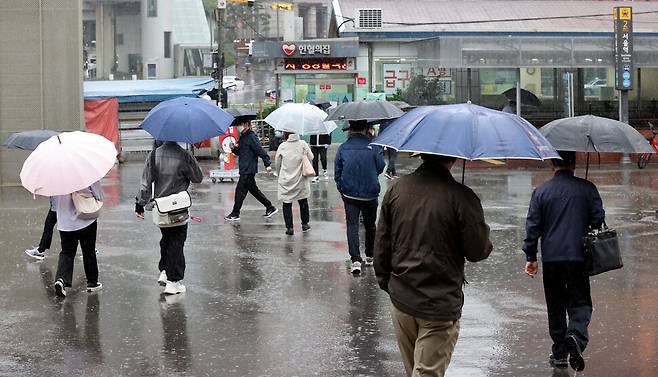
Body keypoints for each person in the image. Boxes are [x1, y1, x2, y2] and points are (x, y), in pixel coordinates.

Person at [374, 154, 492, 377]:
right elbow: (478, 251)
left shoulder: (397, 189)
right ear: (455, 157)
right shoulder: (462, 197)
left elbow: (382, 243)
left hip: (402, 300)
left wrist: (387, 283)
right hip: (438, 304)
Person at [522, 150, 605, 372]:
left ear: (552, 163)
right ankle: (576, 336)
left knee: (556, 305)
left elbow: (532, 227)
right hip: (579, 257)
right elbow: (598, 219)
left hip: (552, 258)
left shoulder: (541, 192)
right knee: (580, 302)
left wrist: (531, 257)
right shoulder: (587, 188)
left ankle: (559, 352)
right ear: (574, 162)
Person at [135, 141, 203, 295]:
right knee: (177, 242)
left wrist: (140, 204)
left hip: (161, 209)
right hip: (178, 208)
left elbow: (145, 183)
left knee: (166, 239)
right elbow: (197, 177)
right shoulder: (184, 155)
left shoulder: (153, 155)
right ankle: (173, 282)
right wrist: (192, 159)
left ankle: (165, 271)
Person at [334, 119, 385, 274]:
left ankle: (355, 259)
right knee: (370, 225)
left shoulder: (343, 148)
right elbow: (381, 167)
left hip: (349, 194)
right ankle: (370, 255)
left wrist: (342, 188)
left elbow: (337, 172)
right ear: (365, 128)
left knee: (352, 226)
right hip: (370, 193)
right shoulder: (374, 146)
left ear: (351, 128)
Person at [53, 181, 105, 297]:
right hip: (86, 217)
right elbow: (99, 194)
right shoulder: (84, 169)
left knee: (67, 252)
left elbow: (54, 201)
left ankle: (61, 279)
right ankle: (92, 282)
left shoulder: (56, 175)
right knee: (89, 250)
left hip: (65, 221)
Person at [225, 118, 278, 221]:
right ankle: (270, 207)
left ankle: (235, 213)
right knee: (254, 191)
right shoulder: (243, 137)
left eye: (240, 125)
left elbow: (260, 150)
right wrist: (233, 148)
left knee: (240, 191)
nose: (238, 127)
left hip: (249, 169)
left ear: (246, 124)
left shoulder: (251, 137)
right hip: (245, 168)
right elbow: (240, 152)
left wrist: (267, 163)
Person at [274, 132, 313, 235]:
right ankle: (305, 224)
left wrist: (279, 174)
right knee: (303, 201)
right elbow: (311, 157)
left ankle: (289, 228)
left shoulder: (282, 146)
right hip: (301, 178)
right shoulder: (303, 143)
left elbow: (277, 163)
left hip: (286, 179)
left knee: (287, 203)